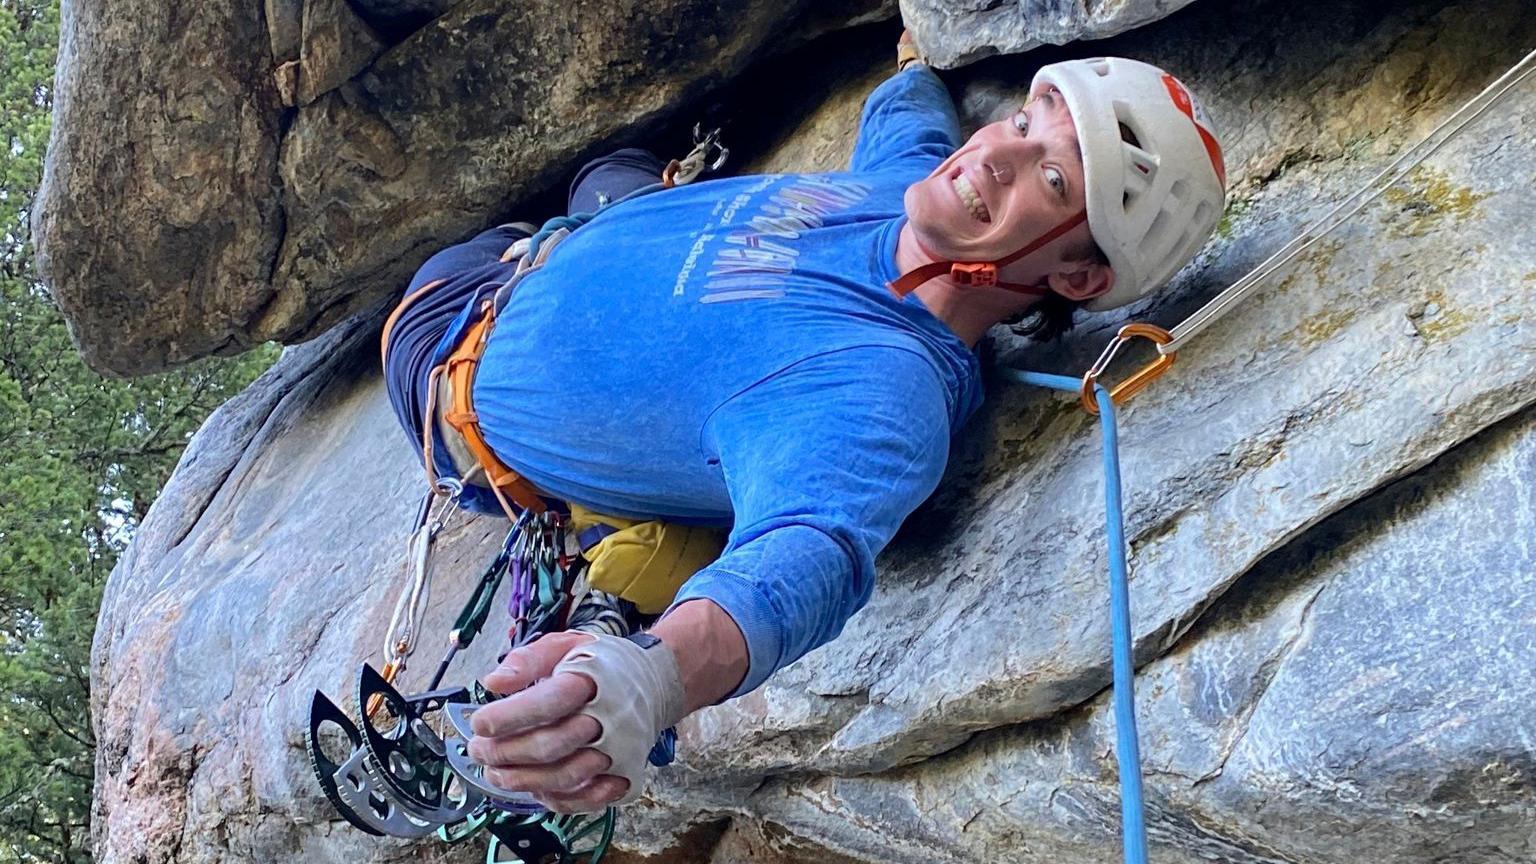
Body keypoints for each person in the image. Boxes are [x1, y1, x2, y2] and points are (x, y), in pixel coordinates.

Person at [381, 33, 1226, 814]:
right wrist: (914, 54)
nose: (997, 154)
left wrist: (653, 679)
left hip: (446, 348)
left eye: (1054, 180)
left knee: (511, 230)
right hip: (587, 232)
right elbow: (909, 116)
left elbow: (805, 557)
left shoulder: (882, 392)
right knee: (610, 173)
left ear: (1079, 279)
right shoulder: (907, 187)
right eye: (1023, 121)